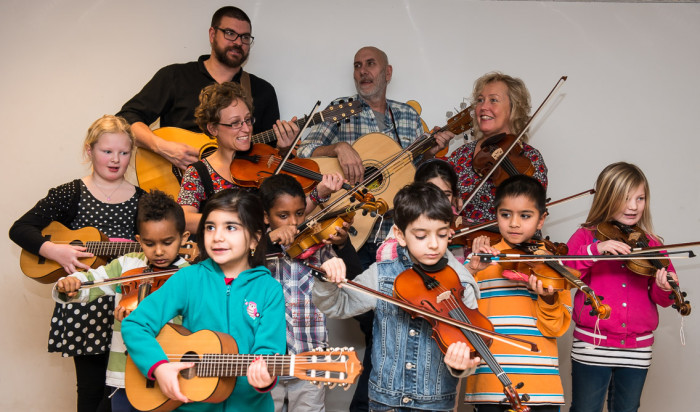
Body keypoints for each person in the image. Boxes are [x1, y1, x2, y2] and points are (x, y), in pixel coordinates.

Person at [297, 47, 454, 410]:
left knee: (387, 332)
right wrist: (340, 147)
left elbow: (417, 176)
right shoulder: (341, 109)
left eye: (371, 65)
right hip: (352, 238)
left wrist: (436, 151)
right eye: (357, 65)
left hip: (398, 243)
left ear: (388, 72)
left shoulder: (406, 117)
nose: (363, 71)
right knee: (381, 330)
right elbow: (302, 149)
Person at [9, 115, 144, 412]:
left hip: (128, 309)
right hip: (84, 308)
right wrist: (56, 251)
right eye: (107, 151)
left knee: (126, 394)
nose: (115, 159)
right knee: (91, 394)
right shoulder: (70, 193)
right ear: (89, 150)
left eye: (123, 153)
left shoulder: (143, 201)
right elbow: (20, 229)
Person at [314, 182, 481, 411]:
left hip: (434, 405)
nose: (433, 245)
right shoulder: (382, 274)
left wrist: (462, 365)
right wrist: (326, 277)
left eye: (442, 235)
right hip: (385, 403)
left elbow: (469, 348)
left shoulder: (460, 283)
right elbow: (336, 306)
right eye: (421, 236)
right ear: (400, 235)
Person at [122, 189, 286, 411]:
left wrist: (265, 378)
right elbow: (135, 323)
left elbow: (269, 351)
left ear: (255, 238)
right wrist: (159, 367)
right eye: (210, 227)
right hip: (190, 405)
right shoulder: (188, 279)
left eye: (230, 227)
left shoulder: (270, 290)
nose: (217, 236)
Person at [53, 190, 191, 412]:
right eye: (149, 243)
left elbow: (189, 326)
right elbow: (90, 282)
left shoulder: (190, 276)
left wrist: (140, 321)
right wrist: (70, 283)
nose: (158, 251)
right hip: (122, 374)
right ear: (138, 240)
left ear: (183, 238)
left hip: (168, 372)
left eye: (167, 242)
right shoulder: (126, 265)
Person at [116, 6, 297, 170]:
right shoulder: (174, 76)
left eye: (245, 37)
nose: (238, 42)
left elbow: (269, 155)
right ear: (212, 35)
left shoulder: (262, 90)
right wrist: (162, 147)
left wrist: (284, 147)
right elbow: (125, 120)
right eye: (229, 33)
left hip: (235, 196)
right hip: (175, 189)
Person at [564, 162, 678, 412]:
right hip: (592, 345)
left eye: (640, 198)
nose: (634, 206)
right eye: (625, 198)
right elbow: (566, 272)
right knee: (585, 408)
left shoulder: (651, 243)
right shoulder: (586, 236)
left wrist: (666, 287)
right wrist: (596, 250)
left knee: (627, 409)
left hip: (637, 349)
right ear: (607, 197)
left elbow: (663, 299)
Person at [177, 81, 344, 234]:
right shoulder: (198, 173)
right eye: (235, 123)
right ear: (213, 129)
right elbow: (184, 220)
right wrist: (235, 221)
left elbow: (287, 214)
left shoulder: (265, 160)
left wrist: (319, 193)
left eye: (248, 120)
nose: (246, 129)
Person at [464, 175, 571, 411]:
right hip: (490, 383)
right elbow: (458, 312)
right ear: (496, 215)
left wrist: (548, 299)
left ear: (541, 219)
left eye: (525, 216)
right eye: (505, 214)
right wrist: (471, 270)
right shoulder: (482, 259)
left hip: (541, 386)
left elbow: (555, 329)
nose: (514, 223)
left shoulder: (553, 267)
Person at [258, 174, 362, 411]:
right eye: (282, 216)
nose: (293, 223)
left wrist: (342, 245)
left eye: (299, 213)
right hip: (266, 361)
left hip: (311, 356)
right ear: (266, 216)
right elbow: (239, 270)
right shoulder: (256, 248)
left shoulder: (317, 247)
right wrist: (268, 241)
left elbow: (353, 277)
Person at [446, 72, 547, 224]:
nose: (483, 107)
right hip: (461, 242)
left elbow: (528, 216)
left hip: (507, 245)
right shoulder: (460, 154)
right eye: (480, 100)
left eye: (493, 100)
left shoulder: (530, 157)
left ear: (513, 108)